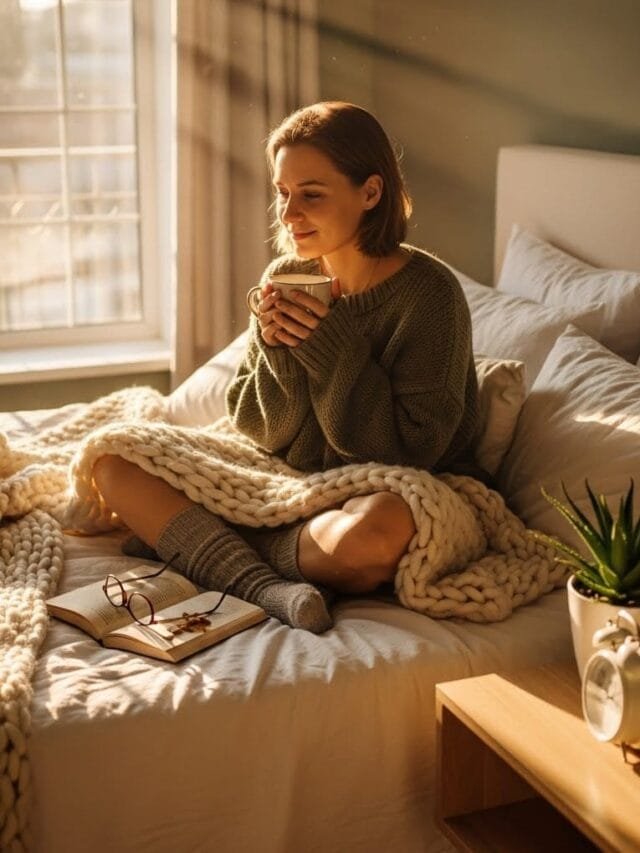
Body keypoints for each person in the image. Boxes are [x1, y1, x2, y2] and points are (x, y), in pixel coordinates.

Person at [93, 101, 480, 634]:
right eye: (283, 194)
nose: (289, 214)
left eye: (311, 195)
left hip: (387, 487)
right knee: (113, 460)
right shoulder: (287, 275)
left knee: (375, 536)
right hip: (287, 476)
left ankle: (205, 545)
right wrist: (279, 353)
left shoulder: (430, 295)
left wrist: (330, 345)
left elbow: (404, 453)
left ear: (370, 192)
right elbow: (262, 431)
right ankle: (261, 583)